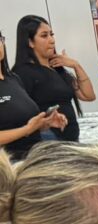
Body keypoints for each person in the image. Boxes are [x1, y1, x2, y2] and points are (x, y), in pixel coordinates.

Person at [13, 15, 95, 143]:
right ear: (30, 42)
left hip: (71, 139)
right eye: (44, 36)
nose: (52, 40)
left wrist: (76, 65)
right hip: (48, 141)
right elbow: (20, 115)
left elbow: (88, 96)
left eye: (51, 34)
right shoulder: (23, 72)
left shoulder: (57, 69)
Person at [0, 31, 67, 160]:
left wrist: (44, 123)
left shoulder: (13, 79)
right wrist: (27, 130)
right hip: (9, 165)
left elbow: (22, 123)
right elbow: (25, 129)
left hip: (34, 157)